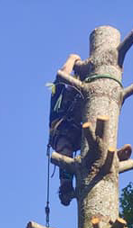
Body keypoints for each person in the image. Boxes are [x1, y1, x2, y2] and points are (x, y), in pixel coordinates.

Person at [49, 54, 84, 206]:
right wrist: (73, 58)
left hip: (79, 133)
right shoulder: (59, 92)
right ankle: (66, 186)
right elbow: (62, 75)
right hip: (61, 129)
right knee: (65, 151)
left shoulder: (84, 95)